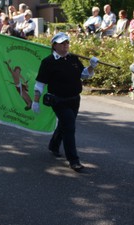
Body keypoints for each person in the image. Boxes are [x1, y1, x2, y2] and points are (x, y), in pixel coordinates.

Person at [31, 32, 98, 172]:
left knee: (65, 124)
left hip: (74, 99)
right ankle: (74, 160)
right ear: (54, 45)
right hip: (58, 100)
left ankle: (54, 145)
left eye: (67, 42)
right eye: (62, 43)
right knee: (69, 127)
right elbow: (39, 84)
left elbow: (84, 74)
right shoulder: (48, 62)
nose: (66, 45)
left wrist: (91, 66)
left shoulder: (73, 58)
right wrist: (35, 101)